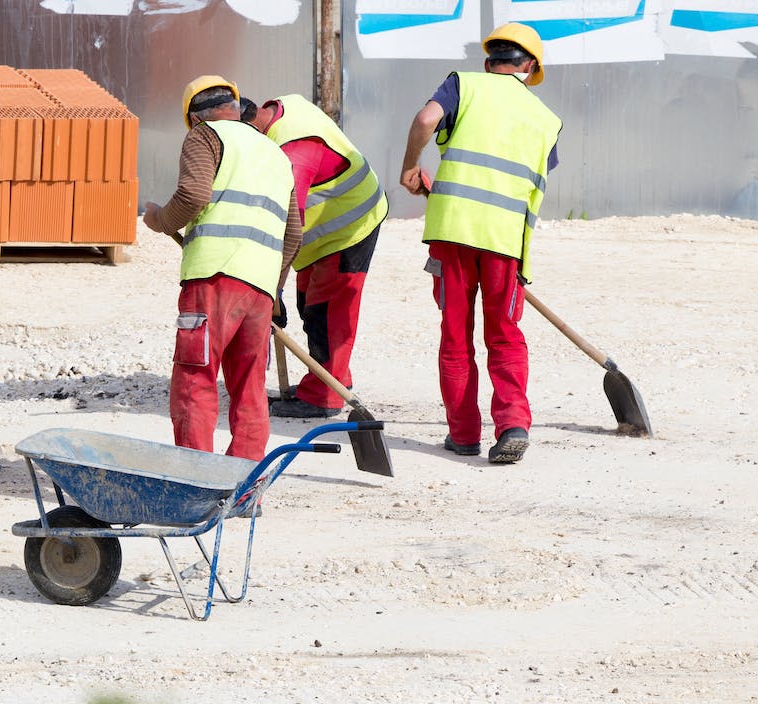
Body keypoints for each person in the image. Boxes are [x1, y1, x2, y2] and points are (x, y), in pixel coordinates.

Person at [399, 23, 562, 464]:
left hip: (453, 233)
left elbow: (426, 120)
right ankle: (513, 424)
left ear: (489, 62)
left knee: (455, 336)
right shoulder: (547, 121)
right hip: (505, 241)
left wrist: (411, 166)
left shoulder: (463, 86)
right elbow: (508, 180)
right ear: (531, 67)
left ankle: (464, 434)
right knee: (505, 335)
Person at [142, 75, 302, 461]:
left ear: (195, 118)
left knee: (195, 376)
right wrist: (272, 287)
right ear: (234, 107)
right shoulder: (276, 155)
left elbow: (193, 194)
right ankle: (244, 480)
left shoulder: (206, 136)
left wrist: (159, 219)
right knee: (250, 386)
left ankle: (195, 477)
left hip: (213, 279)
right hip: (260, 289)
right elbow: (294, 233)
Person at [240, 94, 389, 418]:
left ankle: (324, 396)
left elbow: (287, 227)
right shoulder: (282, 109)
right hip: (323, 232)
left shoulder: (294, 155)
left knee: (328, 312)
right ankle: (332, 378)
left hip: (349, 227)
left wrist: (271, 291)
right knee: (309, 303)